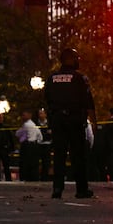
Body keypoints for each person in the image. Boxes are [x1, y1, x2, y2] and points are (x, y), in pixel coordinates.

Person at [45, 47, 97, 199]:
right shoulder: (79, 78)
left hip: (57, 121)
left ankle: (57, 188)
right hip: (74, 120)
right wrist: (94, 123)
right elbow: (89, 103)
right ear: (71, 59)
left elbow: (47, 99)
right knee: (78, 156)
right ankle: (81, 189)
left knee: (59, 156)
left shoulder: (52, 78)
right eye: (76, 58)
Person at [16, 111, 44, 181]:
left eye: (24, 115)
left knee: (26, 163)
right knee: (34, 163)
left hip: (27, 146)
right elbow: (40, 137)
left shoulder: (26, 125)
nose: (22, 117)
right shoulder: (34, 125)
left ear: (29, 116)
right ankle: (34, 178)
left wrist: (22, 141)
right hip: (34, 146)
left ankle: (26, 177)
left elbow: (18, 134)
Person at [0, 113, 16, 181]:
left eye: (0, 118)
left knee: (6, 166)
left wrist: (12, 149)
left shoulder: (6, 128)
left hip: (4, 149)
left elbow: (11, 138)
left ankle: (8, 179)